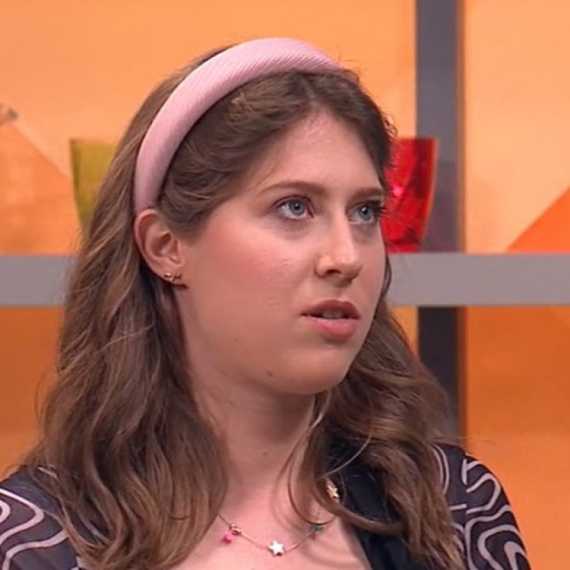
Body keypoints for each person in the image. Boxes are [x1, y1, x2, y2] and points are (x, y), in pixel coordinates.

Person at [0, 38, 530, 570]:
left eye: (366, 212)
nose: (346, 257)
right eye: (294, 207)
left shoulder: (454, 510)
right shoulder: (36, 539)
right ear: (166, 246)